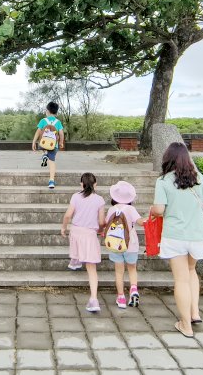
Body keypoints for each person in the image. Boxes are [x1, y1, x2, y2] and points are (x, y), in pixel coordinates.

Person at [151, 142, 203, 338]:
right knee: (191, 271)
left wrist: (153, 211)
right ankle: (195, 313)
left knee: (180, 280)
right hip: (198, 236)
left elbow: (159, 210)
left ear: (167, 159)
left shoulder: (163, 181)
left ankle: (185, 325)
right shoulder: (198, 178)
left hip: (175, 235)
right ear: (186, 158)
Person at [60, 172, 105, 312]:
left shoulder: (75, 196)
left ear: (81, 184)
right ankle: (93, 299)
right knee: (91, 269)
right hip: (89, 233)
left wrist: (63, 227)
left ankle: (75, 261)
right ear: (95, 184)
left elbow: (68, 215)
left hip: (76, 231)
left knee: (76, 248)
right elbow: (102, 221)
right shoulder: (99, 200)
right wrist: (101, 230)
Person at [104, 180, 146, 309]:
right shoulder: (131, 209)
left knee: (119, 272)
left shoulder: (111, 209)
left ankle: (121, 297)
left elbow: (106, 223)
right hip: (131, 244)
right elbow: (141, 222)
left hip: (116, 244)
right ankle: (133, 290)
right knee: (132, 269)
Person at [31, 101, 65, 189]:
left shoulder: (43, 121)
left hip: (43, 143)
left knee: (43, 148)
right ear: (56, 112)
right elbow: (61, 133)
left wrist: (34, 142)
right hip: (53, 145)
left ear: (48, 111)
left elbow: (38, 132)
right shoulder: (58, 122)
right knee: (52, 162)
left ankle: (44, 154)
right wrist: (61, 142)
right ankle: (51, 181)